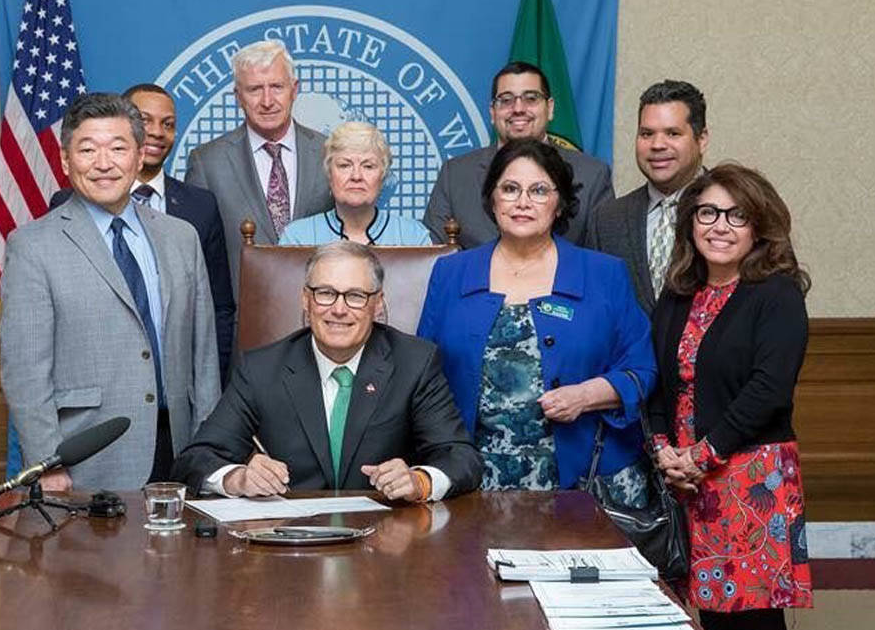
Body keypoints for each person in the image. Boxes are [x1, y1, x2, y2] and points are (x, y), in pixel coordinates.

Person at [648, 162, 811, 630]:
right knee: (712, 613)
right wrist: (664, 449)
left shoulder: (777, 296)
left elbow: (768, 389)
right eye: (708, 213)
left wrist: (704, 453)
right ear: (690, 223)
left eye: (736, 215)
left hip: (751, 477)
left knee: (757, 617)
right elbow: (658, 385)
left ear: (758, 226)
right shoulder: (677, 296)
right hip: (690, 480)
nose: (720, 225)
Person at [0, 93, 221, 492]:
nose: (104, 163)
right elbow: (25, 373)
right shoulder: (32, 246)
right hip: (85, 456)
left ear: (139, 157)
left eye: (118, 148)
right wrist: (47, 463)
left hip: (180, 452)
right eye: (88, 150)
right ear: (66, 160)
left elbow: (203, 356)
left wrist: (209, 451)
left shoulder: (180, 238)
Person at [417, 138, 655, 500]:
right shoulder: (451, 272)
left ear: (559, 203)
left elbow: (643, 371)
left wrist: (587, 396)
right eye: (510, 189)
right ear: (492, 199)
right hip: (473, 479)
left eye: (539, 190)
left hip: (585, 481)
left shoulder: (603, 273)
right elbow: (423, 377)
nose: (523, 202)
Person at [171, 242, 483, 501]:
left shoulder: (415, 362)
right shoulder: (261, 369)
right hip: (291, 545)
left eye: (356, 296)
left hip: (387, 545)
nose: (338, 309)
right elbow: (196, 459)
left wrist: (420, 482)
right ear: (305, 300)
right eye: (325, 293)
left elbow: (461, 458)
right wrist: (237, 478)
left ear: (377, 304)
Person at [50, 84, 236, 382]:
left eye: (168, 124)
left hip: (176, 392)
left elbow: (219, 309)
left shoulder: (201, 206)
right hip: (99, 385)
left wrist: (210, 380)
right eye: (145, 120)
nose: (157, 132)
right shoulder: (66, 207)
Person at [184, 40, 332, 291]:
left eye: (276, 87)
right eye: (254, 89)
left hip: (324, 313)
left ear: (294, 89)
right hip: (244, 320)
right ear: (238, 96)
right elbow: (195, 258)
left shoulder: (329, 152)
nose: (267, 101)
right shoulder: (207, 162)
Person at [423, 61, 612, 248]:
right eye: (506, 100)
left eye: (531, 98)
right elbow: (433, 260)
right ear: (492, 112)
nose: (518, 108)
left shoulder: (592, 175)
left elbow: (603, 258)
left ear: (550, 108)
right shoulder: (455, 174)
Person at [586, 80, 709, 314]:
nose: (657, 145)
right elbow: (595, 307)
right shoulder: (606, 219)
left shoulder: (737, 208)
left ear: (701, 139)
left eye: (673, 133)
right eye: (646, 134)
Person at [279, 121, 433, 246]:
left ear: (383, 176)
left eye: (368, 166)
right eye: (345, 165)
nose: (356, 176)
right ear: (329, 174)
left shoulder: (413, 237)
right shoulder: (297, 238)